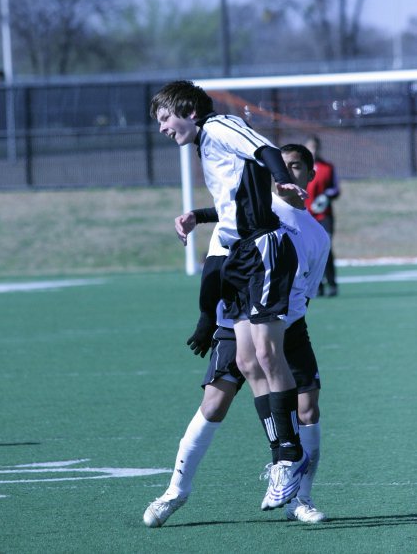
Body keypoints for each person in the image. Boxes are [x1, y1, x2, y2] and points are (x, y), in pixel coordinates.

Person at [143, 144, 330, 527]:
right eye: (285, 166)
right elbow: (220, 243)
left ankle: (301, 498)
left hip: (289, 325)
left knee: (307, 408)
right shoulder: (256, 213)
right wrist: (197, 215)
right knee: (214, 403)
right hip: (236, 320)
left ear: (310, 175)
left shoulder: (317, 236)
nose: (289, 173)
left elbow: (306, 292)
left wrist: (281, 330)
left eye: (297, 167)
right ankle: (175, 492)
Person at [305, 135, 340, 297]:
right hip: (306, 216)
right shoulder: (301, 168)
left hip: (324, 216)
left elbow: (335, 189)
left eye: (316, 147)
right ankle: (316, 286)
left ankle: (332, 284)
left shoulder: (328, 167)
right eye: (310, 147)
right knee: (311, 251)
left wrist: (327, 195)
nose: (314, 151)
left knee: (326, 248)